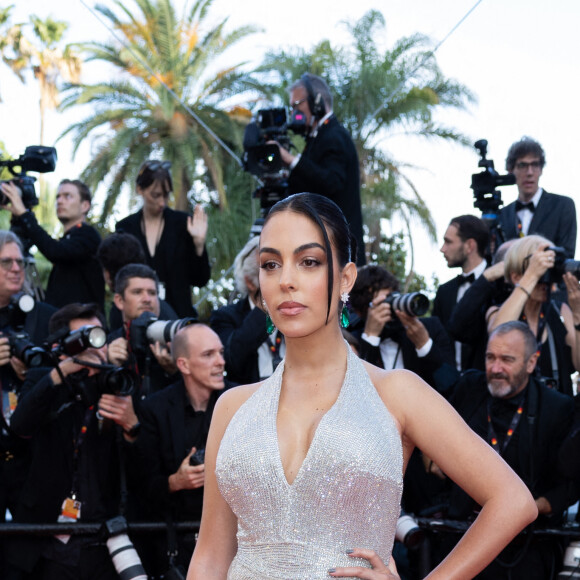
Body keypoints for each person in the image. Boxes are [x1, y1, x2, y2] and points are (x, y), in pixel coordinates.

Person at [188, 193, 537, 579]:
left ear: (346, 278)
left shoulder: (396, 393)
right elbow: (210, 555)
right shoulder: (233, 407)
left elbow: (512, 501)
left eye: (309, 262)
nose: (286, 280)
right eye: (271, 264)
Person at [437, 321, 575, 579]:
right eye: (490, 357)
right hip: (461, 538)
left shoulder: (557, 408)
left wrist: (527, 507)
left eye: (507, 360)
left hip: (526, 549)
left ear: (531, 363)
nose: (495, 369)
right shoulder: (468, 389)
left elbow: (569, 484)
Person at [7, 303, 128, 579]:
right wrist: (60, 374)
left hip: (102, 537)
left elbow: (135, 456)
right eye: (84, 337)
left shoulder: (115, 383)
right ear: (62, 345)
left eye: (99, 336)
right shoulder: (44, 379)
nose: (95, 345)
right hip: (46, 541)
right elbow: (20, 427)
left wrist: (131, 423)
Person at [133, 323, 229, 576]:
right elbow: (141, 487)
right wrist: (175, 482)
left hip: (233, 540)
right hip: (175, 542)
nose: (220, 361)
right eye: (208, 355)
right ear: (184, 365)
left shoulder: (240, 400)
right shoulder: (154, 409)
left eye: (220, 352)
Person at [270, 73, 365, 265]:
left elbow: (331, 182)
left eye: (297, 105)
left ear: (317, 103)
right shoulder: (317, 137)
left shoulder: (334, 136)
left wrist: (290, 159)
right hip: (323, 247)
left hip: (337, 251)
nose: (294, 113)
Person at [487, 235, 580, 396]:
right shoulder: (496, 310)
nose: (545, 282)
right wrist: (531, 275)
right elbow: (499, 330)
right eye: (541, 273)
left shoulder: (561, 311)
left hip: (558, 412)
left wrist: (578, 314)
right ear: (516, 276)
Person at [116, 160, 211, 318]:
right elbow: (119, 278)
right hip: (137, 318)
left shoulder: (183, 223)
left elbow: (200, 279)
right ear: (140, 189)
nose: (162, 202)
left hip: (178, 317)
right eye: (156, 195)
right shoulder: (125, 227)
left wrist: (199, 245)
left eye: (166, 195)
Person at [348, 264, 455, 394]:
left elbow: (451, 386)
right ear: (361, 312)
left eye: (392, 296)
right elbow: (355, 393)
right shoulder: (352, 341)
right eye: (382, 304)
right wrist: (371, 338)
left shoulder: (431, 328)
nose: (390, 308)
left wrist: (424, 345)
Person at [1, 178, 105, 309]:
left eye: (68, 196)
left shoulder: (88, 235)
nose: (60, 201)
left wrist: (24, 215)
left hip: (84, 323)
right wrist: (20, 218)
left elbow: (55, 251)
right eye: (58, 197)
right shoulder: (68, 239)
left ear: (85, 206)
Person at [210, 236, 285, 384]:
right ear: (250, 282)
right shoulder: (225, 316)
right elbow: (231, 358)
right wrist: (264, 308)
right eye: (270, 268)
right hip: (250, 398)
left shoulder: (294, 309)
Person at [498, 136, 577, 258]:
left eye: (535, 165)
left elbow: (566, 254)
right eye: (522, 165)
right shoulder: (502, 214)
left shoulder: (562, 205)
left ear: (541, 169)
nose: (529, 172)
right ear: (511, 170)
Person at [433, 214, 489, 371]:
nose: (442, 248)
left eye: (448, 242)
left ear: (470, 245)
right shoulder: (444, 292)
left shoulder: (498, 286)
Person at [96, 232, 178, 332]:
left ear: (108, 273)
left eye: (152, 293)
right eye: (137, 292)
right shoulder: (163, 309)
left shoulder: (125, 310)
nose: (146, 299)